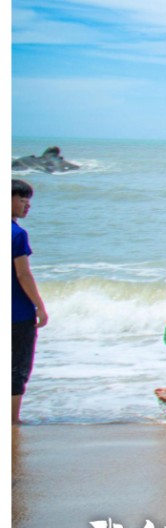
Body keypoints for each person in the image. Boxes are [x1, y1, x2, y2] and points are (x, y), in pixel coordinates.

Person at [12, 179, 48, 424]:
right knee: (17, 367)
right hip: (17, 314)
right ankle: (12, 420)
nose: (27, 205)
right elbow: (23, 274)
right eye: (22, 200)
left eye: (29, 201)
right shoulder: (16, 234)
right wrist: (40, 306)